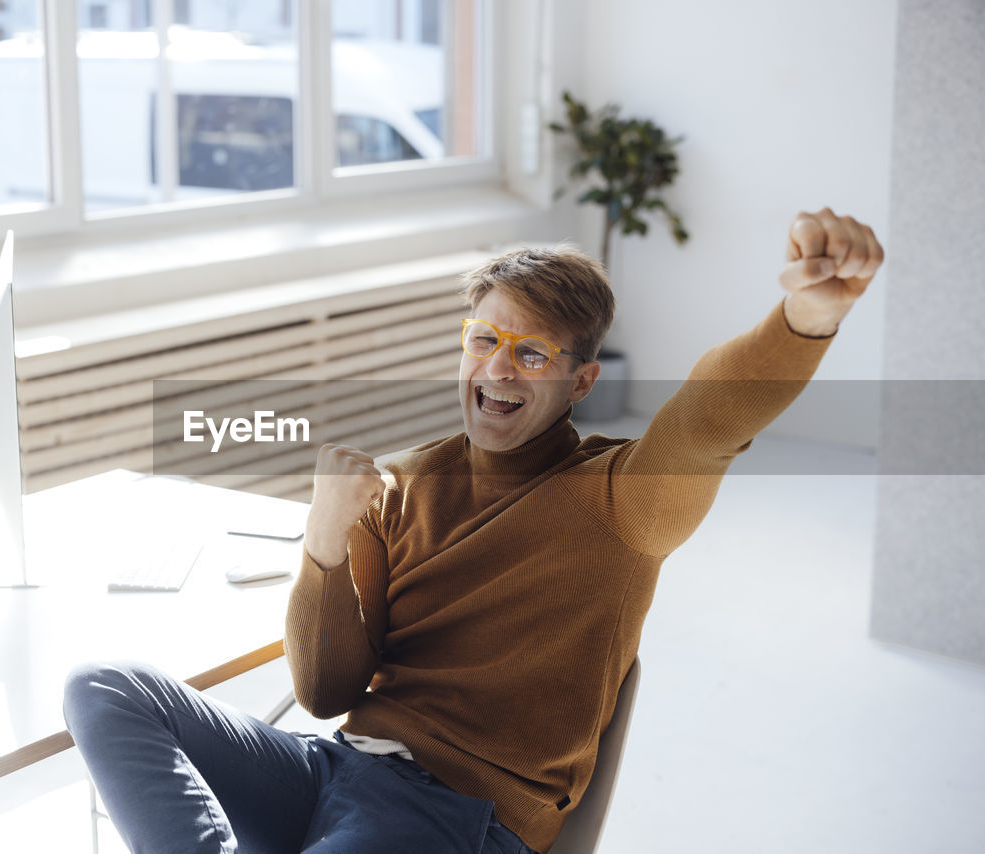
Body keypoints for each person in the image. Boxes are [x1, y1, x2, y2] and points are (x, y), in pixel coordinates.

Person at [64, 208, 883, 854]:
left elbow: (708, 418)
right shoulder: (404, 485)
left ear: (581, 380)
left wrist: (802, 319)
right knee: (103, 686)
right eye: (485, 340)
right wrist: (322, 547)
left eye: (531, 354)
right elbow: (324, 695)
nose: (497, 368)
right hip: (337, 771)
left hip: (457, 820)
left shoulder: (621, 500)